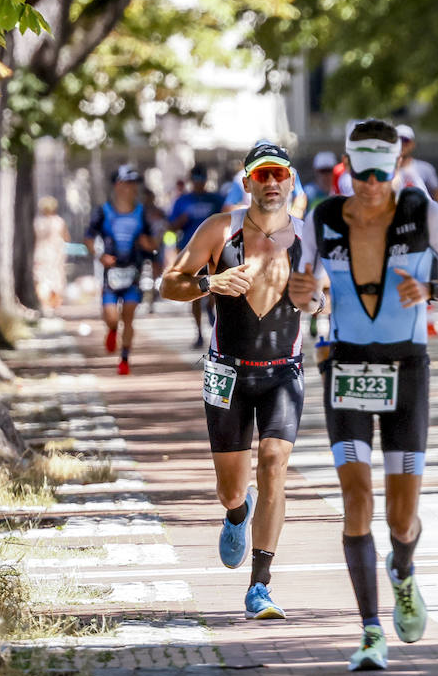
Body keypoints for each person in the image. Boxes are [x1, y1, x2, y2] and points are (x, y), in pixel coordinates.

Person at [289, 119, 438, 671]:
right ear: (347, 168)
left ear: (398, 167)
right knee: (356, 502)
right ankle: (370, 630)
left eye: (382, 172)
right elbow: (307, 293)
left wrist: (434, 290)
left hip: (407, 367)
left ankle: (403, 569)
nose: (371, 184)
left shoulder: (423, 213)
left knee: (400, 518)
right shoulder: (323, 218)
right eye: (361, 173)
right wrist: (304, 296)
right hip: (347, 365)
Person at [160, 142, 313, 620]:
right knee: (231, 488)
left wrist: (319, 303)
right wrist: (209, 284)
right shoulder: (218, 230)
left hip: (282, 373)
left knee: (273, 462)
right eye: (261, 176)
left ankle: (260, 585)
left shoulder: (309, 237)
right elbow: (169, 283)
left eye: (278, 175)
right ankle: (235, 513)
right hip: (226, 372)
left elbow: (326, 295)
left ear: (290, 182)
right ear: (247, 183)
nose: (271, 183)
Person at [85, 166, 159, 375]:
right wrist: (100, 257)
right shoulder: (103, 212)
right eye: (128, 184)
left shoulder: (141, 213)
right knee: (111, 318)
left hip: (133, 273)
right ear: (118, 186)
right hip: (111, 274)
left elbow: (153, 243)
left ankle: (124, 359)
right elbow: (88, 237)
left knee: (128, 317)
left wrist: (148, 244)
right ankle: (111, 330)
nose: (132, 188)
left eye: (135, 184)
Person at [170, 166, 228, 347]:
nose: (198, 183)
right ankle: (199, 334)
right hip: (190, 252)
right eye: (195, 179)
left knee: (213, 287)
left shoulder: (216, 199)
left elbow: (228, 219)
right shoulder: (182, 201)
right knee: (193, 292)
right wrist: (180, 222)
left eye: (201, 179)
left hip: (214, 251)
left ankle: (210, 308)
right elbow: (170, 226)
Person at [33, 196, 71, 312]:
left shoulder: (37, 222)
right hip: (55, 254)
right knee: (56, 278)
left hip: (41, 253)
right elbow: (66, 238)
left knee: (42, 279)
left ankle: (45, 305)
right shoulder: (59, 221)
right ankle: (54, 306)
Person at [396, 124, 438, 205]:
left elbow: (437, 192)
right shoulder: (385, 171)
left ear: (413, 144)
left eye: (405, 140)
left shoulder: (425, 168)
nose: (401, 144)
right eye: (397, 140)